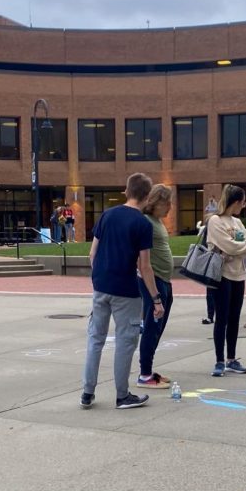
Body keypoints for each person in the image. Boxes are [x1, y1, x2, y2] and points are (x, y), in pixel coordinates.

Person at [81, 173, 163, 410]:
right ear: (147, 197)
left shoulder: (107, 215)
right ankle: (122, 395)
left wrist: (98, 279)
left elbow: (92, 254)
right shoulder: (142, 224)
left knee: (95, 339)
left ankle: (87, 392)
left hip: (101, 286)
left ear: (126, 191)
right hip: (126, 290)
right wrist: (156, 299)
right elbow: (144, 266)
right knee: (126, 342)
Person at [205, 184, 246, 377]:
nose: (244, 204)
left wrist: (241, 246)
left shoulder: (237, 222)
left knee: (234, 318)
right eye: (243, 201)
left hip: (239, 274)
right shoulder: (215, 221)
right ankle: (219, 360)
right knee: (221, 318)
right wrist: (243, 245)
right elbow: (232, 246)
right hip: (221, 275)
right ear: (236, 202)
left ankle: (231, 359)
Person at [137, 183, 175, 388]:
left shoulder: (157, 221)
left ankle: (149, 369)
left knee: (158, 328)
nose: (170, 206)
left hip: (165, 280)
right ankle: (144, 375)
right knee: (152, 328)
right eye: (166, 202)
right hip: (154, 281)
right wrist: (154, 293)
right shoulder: (145, 222)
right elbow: (140, 258)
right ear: (155, 202)